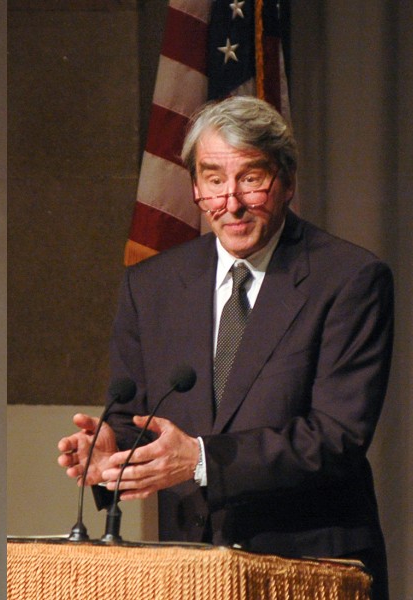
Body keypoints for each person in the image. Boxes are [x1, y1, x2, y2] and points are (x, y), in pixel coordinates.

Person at [58, 96, 392, 599]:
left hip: (309, 567)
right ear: (194, 185)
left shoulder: (348, 280)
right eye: (213, 180)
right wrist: (111, 455)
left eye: (251, 179)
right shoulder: (151, 286)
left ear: (286, 182)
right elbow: (137, 417)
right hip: (193, 569)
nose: (230, 202)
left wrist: (200, 459)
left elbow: (336, 436)